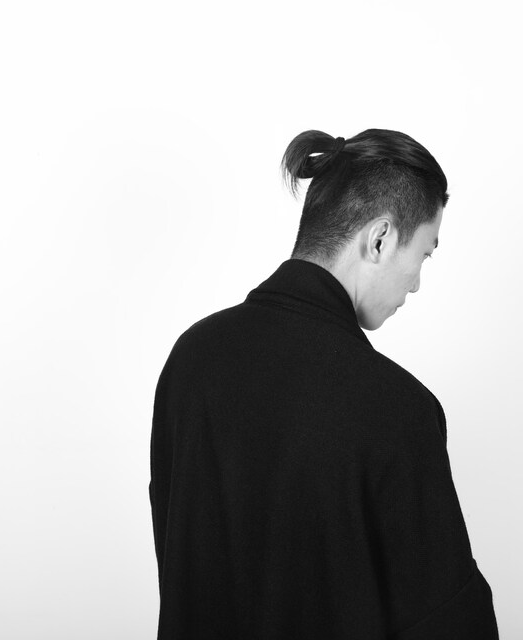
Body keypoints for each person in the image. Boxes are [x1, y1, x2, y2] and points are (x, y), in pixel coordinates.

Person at [148, 128, 499, 639]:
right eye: (424, 254)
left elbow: (178, 559)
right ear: (380, 239)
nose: (417, 283)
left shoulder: (191, 360)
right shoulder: (398, 408)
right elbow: (449, 623)